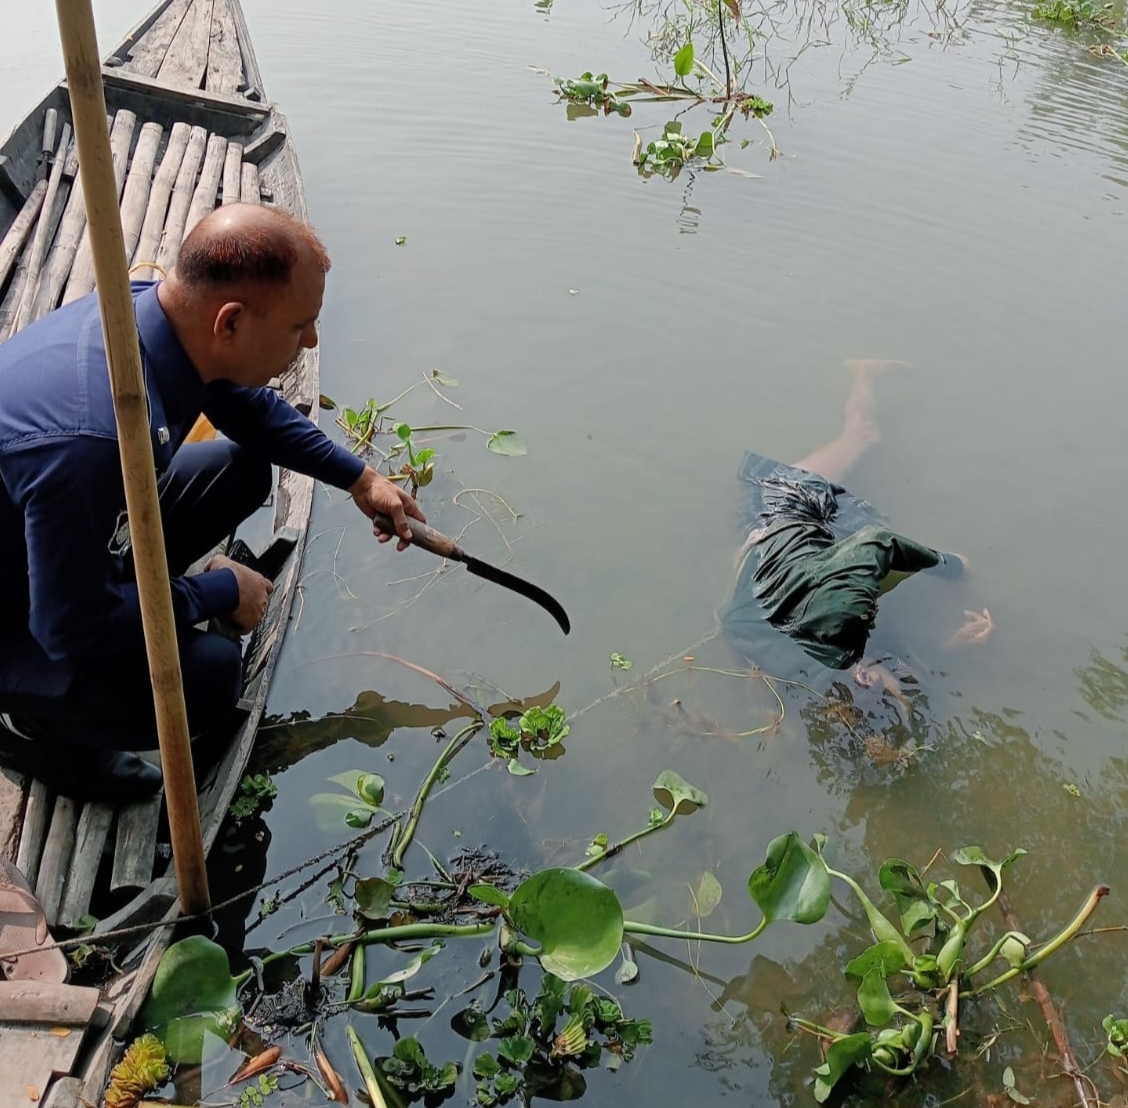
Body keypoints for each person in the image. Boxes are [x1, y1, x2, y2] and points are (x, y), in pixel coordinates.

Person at [0, 203, 424, 801]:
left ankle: (130, 593)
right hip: (29, 620)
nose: (312, 341)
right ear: (229, 323)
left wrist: (359, 478)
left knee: (240, 467)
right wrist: (219, 590)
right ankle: (34, 729)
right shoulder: (91, 441)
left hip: (52, 546)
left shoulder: (153, 313)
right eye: (299, 325)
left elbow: (247, 408)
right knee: (208, 676)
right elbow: (69, 628)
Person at [719, 359, 993, 689]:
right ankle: (863, 373)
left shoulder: (814, 622)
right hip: (792, 538)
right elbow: (883, 546)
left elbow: (883, 544)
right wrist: (953, 644)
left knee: (861, 438)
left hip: (785, 507)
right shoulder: (812, 654)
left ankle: (862, 373)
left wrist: (955, 568)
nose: (877, 681)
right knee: (858, 447)